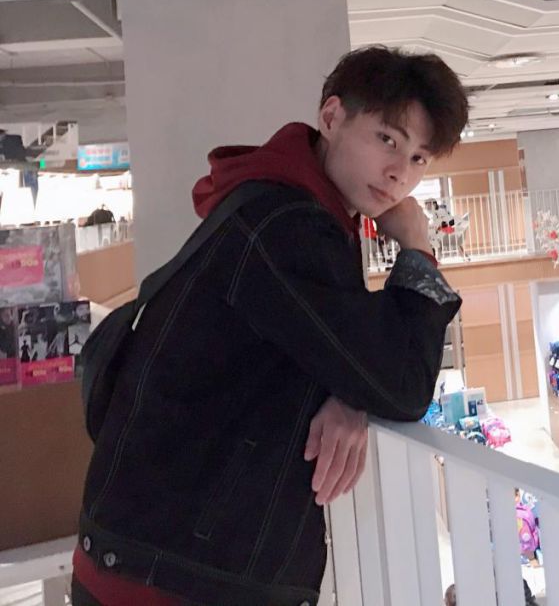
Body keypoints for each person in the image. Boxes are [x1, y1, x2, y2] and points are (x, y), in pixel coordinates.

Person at [72, 46, 470, 606]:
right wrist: (417, 249)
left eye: (419, 158)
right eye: (387, 139)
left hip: (161, 555)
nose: (399, 172)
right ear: (331, 117)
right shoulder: (286, 227)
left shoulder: (285, 206)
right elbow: (401, 385)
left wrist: (348, 389)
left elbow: (336, 351)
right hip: (167, 576)